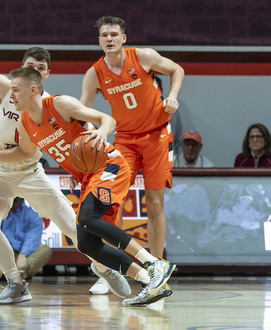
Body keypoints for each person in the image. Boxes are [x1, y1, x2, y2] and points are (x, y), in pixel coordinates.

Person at [0, 15, 130, 305]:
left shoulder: (53, 104)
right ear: (21, 67)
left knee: (74, 228)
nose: (33, 71)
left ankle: (103, 267)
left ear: (46, 75)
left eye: (40, 69)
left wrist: (98, 137)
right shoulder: (5, 87)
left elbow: (78, 132)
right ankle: (15, 283)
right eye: (29, 66)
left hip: (30, 171)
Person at [0, 67, 176, 306]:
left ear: (33, 89)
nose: (9, 95)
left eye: (14, 89)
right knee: (85, 242)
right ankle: (150, 282)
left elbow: (107, 119)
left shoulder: (60, 104)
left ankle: (154, 262)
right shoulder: (24, 123)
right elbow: (23, 153)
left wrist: (103, 133)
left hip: (109, 164)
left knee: (87, 218)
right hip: (87, 177)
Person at [80, 16, 185, 264]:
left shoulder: (143, 56)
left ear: (123, 38)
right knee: (109, 203)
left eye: (114, 34)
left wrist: (172, 96)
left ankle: (158, 266)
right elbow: (81, 113)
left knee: (155, 202)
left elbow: (176, 69)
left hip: (157, 135)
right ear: (99, 41)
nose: (109, 39)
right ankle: (111, 268)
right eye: (104, 35)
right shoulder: (94, 74)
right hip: (125, 140)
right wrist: (89, 137)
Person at [0, 197, 52, 281]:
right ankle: (7, 271)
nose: (15, 204)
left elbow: (32, 238)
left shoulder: (33, 215)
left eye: (18, 200)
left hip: (19, 258)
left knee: (45, 249)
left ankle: (17, 271)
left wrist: (23, 255)